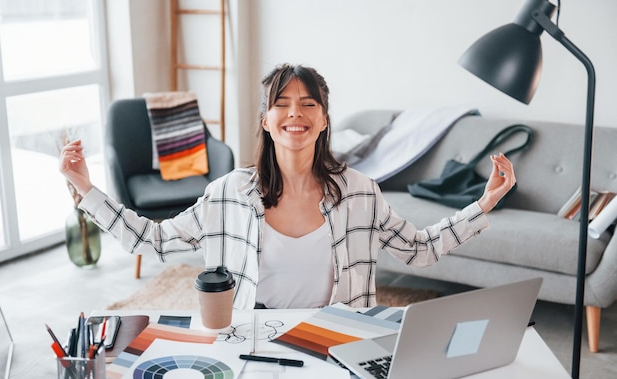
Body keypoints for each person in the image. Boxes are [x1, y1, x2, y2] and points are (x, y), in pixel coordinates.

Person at [60, 63, 516, 310]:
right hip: (252, 338)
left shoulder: (360, 192)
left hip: (339, 337)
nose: (295, 112)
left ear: (322, 120)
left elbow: (418, 249)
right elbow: (152, 241)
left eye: (307, 103)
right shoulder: (227, 194)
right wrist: (85, 189)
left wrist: (485, 203)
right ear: (266, 120)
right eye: (282, 103)